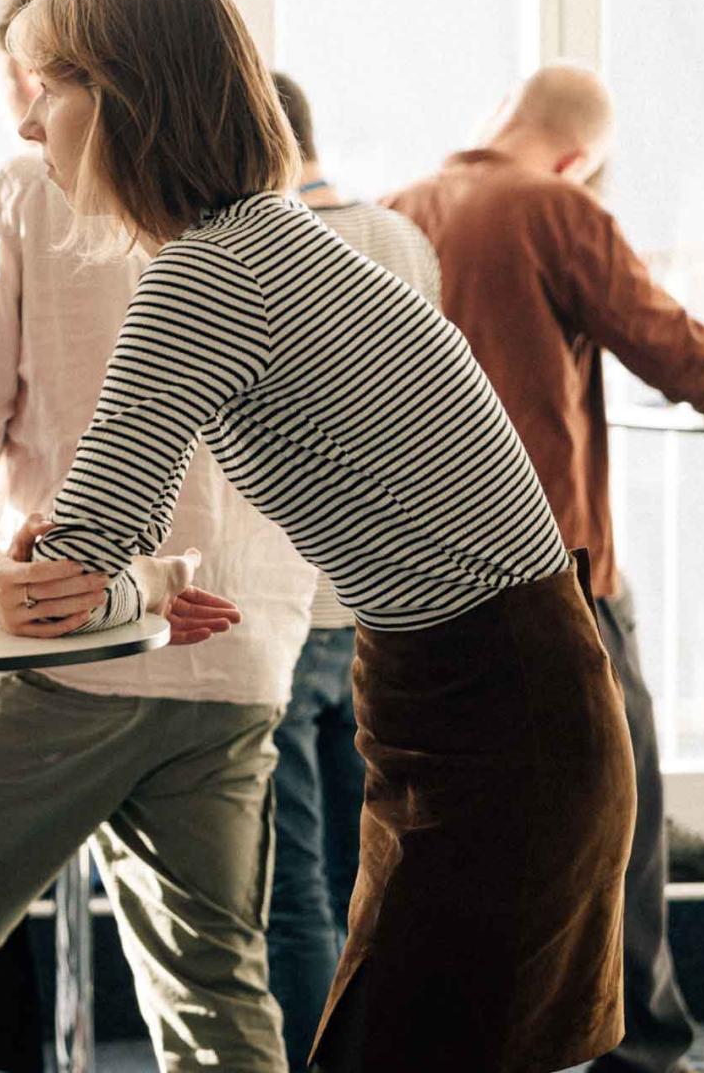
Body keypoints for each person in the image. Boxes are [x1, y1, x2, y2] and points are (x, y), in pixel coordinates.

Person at [0, 0, 632, 1073]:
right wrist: (118, 574)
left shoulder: (206, 274)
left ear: (126, 98)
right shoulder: (270, 242)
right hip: (500, 700)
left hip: (489, 720)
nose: (34, 126)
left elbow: (73, 562)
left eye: (51, 88)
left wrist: (15, 572)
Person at [0, 0, 315, 1073]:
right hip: (242, 652)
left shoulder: (22, 191)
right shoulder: (261, 218)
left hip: (69, 643)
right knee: (214, 987)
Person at [388, 63, 704, 1073]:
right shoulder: (553, 206)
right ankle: (637, 1049)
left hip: (415, 577)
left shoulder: (399, 210)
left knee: (456, 823)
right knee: (621, 802)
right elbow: (674, 350)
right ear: (578, 157)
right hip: (549, 566)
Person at [262, 70, 441, 1072]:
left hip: (290, 595)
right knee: (370, 878)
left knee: (294, 885)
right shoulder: (405, 240)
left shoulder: (260, 254)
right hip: (380, 604)